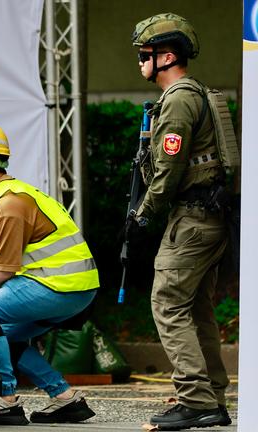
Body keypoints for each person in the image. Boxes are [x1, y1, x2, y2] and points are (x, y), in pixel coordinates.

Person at [0, 121, 98, 424]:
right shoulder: (12, 194)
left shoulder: (9, 203)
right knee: (8, 336)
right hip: (74, 287)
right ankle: (65, 398)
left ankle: (5, 399)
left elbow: (4, 270)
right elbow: (9, 258)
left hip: (57, 286)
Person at [131, 13, 232, 429]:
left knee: (168, 303)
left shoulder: (177, 100)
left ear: (167, 56)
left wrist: (143, 215)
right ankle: (212, 399)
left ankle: (195, 399)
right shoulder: (197, 94)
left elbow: (169, 171)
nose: (140, 61)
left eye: (145, 54)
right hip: (209, 217)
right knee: (197, 310)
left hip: (191, 221)